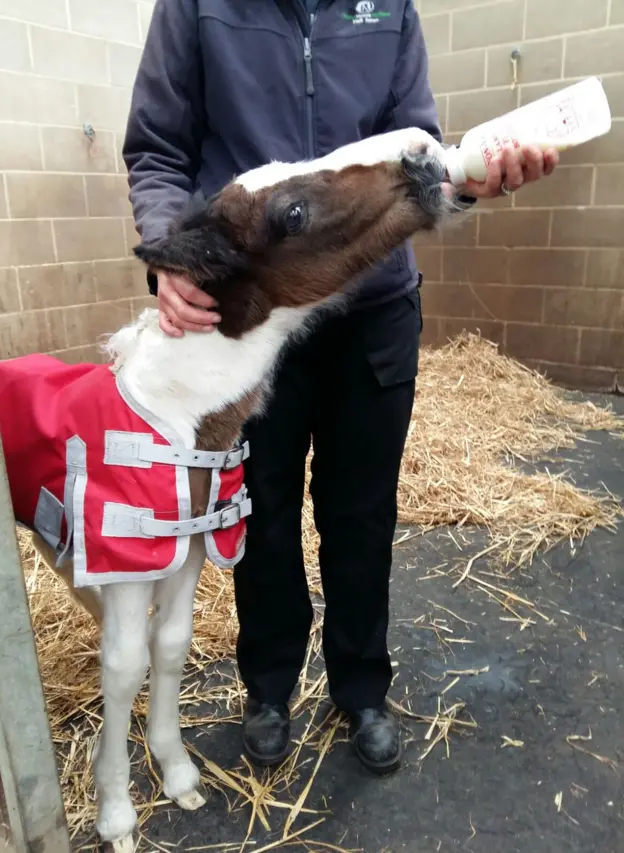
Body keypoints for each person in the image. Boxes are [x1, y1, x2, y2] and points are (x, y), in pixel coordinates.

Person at [123, 0, 558, 776]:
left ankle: (360, 686)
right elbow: (157, 145)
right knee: (262, 507)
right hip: (258, 314)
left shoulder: (386, 8)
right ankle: (269, 684)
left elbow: (419, 153)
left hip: (373, 305)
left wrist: (474, 180)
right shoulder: (196, 7)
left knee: (362, 512)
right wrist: (174, 254)